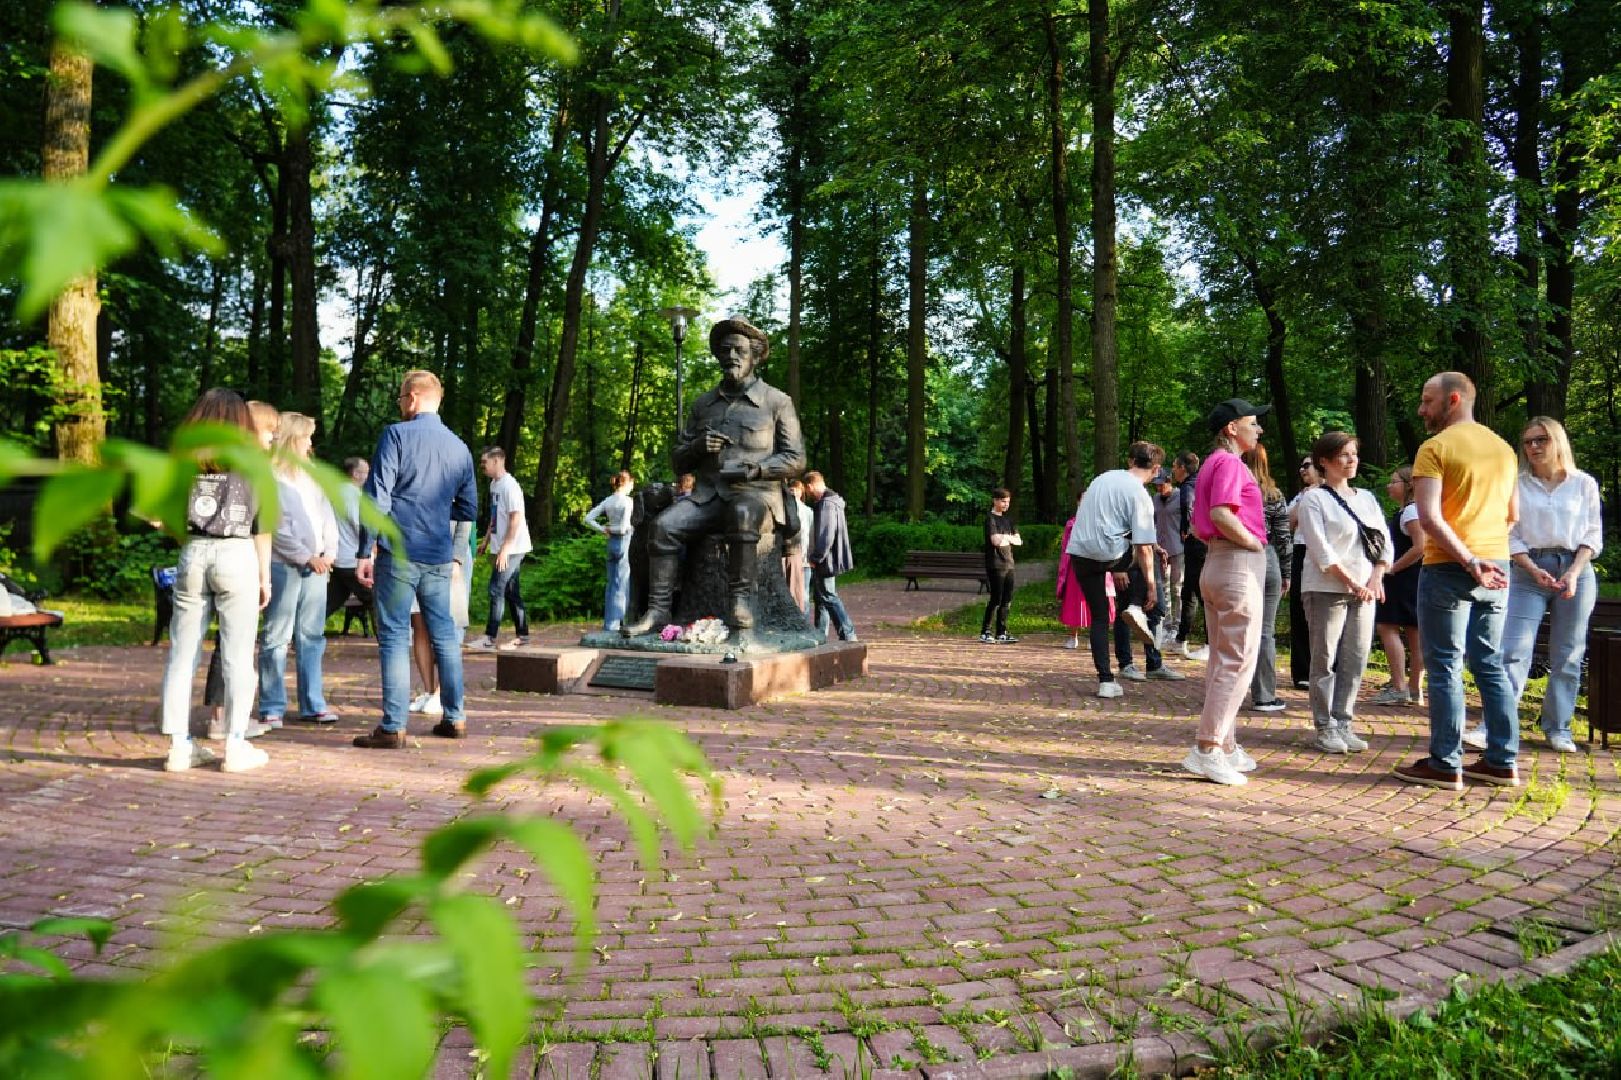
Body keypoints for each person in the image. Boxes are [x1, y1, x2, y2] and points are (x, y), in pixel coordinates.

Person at [622, 319, 805, 636]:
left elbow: (796, 458)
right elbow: (678, 462)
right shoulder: (703, 404)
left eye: (740, 350)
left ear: (755, 356)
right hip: (707, 497)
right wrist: (696, 447)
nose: (731, 355)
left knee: (742, 512)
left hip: (757, 496)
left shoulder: (777, 402)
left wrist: (757, 469)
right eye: (725, 350)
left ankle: (741, 601)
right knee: (664, 527)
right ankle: (659, 612)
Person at [1394, 372, 1521, 790]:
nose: (1420, 409)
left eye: (1426, 400)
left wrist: (1467, 559)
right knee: (1489, 662)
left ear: (1452, 400)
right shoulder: (1502, 448)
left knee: (1445, 664)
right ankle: (1502, 761)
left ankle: (1445, 764)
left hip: (1451, 565)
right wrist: (1485, 559)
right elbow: (1512, 515)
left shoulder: (1436, 447)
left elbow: (1430, 516)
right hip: (1497, 565)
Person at [354, 370, 478, 748]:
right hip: (439, 555)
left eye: (400, 399)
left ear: (412, 397)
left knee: (393, 636)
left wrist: (364, 549)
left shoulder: (396, 435)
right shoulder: (459, 447)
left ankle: (393, 727)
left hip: (399, 551)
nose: (400, 406)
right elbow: (470, 507)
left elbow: (377, 497)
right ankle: (454, 718)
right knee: (444, 636)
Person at [158, 389, 274, 773]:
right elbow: (263, 528)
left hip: (194, 552)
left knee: (182, 654)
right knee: (238, 656)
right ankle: (236, 745)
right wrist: (265, 576)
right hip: (237, 554)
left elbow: (158, 516)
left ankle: (179, 746)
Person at [1480, 417, 1602, 755]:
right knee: (1513, 650)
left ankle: (1558, 727)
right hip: (1526, 570)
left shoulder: (1583, 484)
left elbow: (1593, 534)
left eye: (1541, 440)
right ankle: (1494, 725)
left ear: (1558, 442)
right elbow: (1510, 534)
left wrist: (1575, 572)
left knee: (1568, 653)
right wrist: (1532, 569)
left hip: (1575, 568)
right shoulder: (1516, 484)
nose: (1533, 447)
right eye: (1529, 441)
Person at [1181, 399, 1270, 786]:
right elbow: (1220, 515)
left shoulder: (1208, 466)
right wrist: (1253, 543)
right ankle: (1207, 748)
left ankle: (1226, 746)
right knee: (1238, 661)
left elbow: (1200, 526)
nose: (1259, 429)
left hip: (1215, 564)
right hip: (1236, 564)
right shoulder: (1230, 463)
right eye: (1253, 423)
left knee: (1222, 660)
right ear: (1232, 428)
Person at [1295, 432, 1392, 753]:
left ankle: (1344, 721)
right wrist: (1352, 582)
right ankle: (1324, 727)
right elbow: (1321, 550)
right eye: (1344, 456)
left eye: (1354, 454)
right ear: (1325, 461)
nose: (1352, 461)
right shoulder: (1314, 498)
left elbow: (1383, 541)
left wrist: (1377, 576)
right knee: (1324, 658)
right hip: (1326, 588)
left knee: (1356, 657)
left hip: (1365, 589)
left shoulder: (1366, 498)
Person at [1066, 441, 1183, 698]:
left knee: (1099, 619)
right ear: (1156, 469)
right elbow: (1143, 549)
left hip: (1080, 553)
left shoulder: (1103, 478)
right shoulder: (1140, 495)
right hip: (1111, 554)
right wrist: (1150, 587)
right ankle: (1133, 605)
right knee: (1140, 549)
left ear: (1131, 461)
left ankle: (1106, 682)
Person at [258, 412, 341, 728]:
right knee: (276, 636)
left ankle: (313, 703)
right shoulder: (270, 476)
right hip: (284, 567)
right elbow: (274, 527)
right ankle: (272, 705)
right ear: (292, 439)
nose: (311, 442)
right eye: (306, 436)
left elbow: (327, 517)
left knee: (312, 636)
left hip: (318, 569)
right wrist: (307, 556)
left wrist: (329, 552)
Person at [1243, 445, 1291, 713]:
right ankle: (1264, 695)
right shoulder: (1274, 495)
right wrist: (1286, 572)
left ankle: (1232, 690)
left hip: (1239, 557)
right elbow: (1283, 536)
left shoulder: (1235, 490)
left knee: (1236, 627)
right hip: (1268, 556)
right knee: (1265, 631)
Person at [409, 520, 474, 717]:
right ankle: (430, 691)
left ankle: (442, 693)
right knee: (419, 623)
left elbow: (465, 517)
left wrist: (456, 558)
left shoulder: (455, 487)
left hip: (449, 554)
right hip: (416, 552)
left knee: (448, 627)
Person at [1372, 466, 1424, 706]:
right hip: (1414, 578)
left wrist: (1392, 568)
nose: (1389, 486)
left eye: (1394, 482)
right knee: (1414, 631)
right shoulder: (1411, 511)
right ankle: (1414, 689)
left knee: (1387, 626)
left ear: (1408, 485)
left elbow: (1420, 547)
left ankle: (1399, 685)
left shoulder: (1410, 512)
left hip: (1403, 579)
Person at [470, 446, 532, 649]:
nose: (482, 466)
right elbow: (496, 516)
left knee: (496, 588)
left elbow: (516, 517)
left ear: (497, 461)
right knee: (511, 592)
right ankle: (523, 636)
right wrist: (486, 541)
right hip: (503, 547)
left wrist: (505, 548)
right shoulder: (494, 485)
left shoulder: (510, 486)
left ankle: (489, 638)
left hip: (514, 548)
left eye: (484, 462)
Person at [805, 470, 857, 642]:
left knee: (828, 596)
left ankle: (848, 633)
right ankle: (821, 635)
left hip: (826, 560)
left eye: (808, 490)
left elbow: (826, 535)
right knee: (821, 597)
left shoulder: (826, 504)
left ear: (811, 485)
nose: (808, 494)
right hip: (831, 558)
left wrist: (815, 558)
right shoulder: (832, 501)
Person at [1056, 504, 1115, 649]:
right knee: (1074, 600)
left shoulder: (1103, 522)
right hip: (1077, 566)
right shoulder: (1072, 524)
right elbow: (1066, 547)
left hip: (1098, 566)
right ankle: (1072, 636)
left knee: (1096, 601)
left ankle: (1094, 637)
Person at [584, 470, 636, 632]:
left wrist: (603, 529)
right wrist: (618, 529)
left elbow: (588, 518)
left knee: (611, 583)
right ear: (627, 483)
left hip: (611, 543)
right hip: (623, 541)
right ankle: (617, 623)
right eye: (632, 484)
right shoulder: (627, 502)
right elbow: (623, 528)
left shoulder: (609, 500)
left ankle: (609, 623)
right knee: (621, 583)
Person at [325, 457, 374, 624]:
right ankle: (388, 644)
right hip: (354, 560)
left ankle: (299, 632)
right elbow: (359, 524)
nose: (369, 477)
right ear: (355, 474)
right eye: (366, 473)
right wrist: (372, 546)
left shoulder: (335, 491)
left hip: (338, 557)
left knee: (331, 602)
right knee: (376, 600)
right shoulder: (352, 494)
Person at [1287, 456, 1321, 690]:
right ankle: (1302, 670)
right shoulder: (1300, 496)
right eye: (1300, 466)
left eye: (1307, 465)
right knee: (1299, 610)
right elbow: (1289, 522)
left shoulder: (1332, 492)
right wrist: (1305, 498)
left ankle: (1327, 668)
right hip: (1300, 549)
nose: (1302, 470)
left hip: (1323, 551)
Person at [1171, 452, 1210, 661]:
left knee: (1200, 592)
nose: (1173, 470)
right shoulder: (1201, 483)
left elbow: (1189, 506)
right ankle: (1181, 639)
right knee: (1189, 591)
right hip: (1198, 544)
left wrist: (1186, 528)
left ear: (1183, 468)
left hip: (1196, 544)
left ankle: (1210, 643)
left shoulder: (1188, 486)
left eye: (1175, 466)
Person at [980, 488, 1023, 644]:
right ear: (995, 501)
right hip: (996, 564)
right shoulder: (990, 519)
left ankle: (1001, 632)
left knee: (1007, 599)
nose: (1006, 504)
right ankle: (985, 631)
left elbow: (1019, 541)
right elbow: (995, 541)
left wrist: (1005, 537)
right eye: (1003, 501)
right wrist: (1007, 537)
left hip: (1009, 564)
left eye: (1008, 502)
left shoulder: (1009, 520)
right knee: (996, 599)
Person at [1152, 468, 1183, 644]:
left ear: (1169, 481)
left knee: (1177, 587)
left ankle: (1176, 627)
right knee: (1162, 587)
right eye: (1156, 485)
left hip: (1178, 548)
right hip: (1160, 548)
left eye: (1162, 484)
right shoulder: (1155, 499)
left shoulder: (1180, 496)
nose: (1159, 488)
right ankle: (1165, 624)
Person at [782, 479, 813, 613]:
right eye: (791, 488)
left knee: (802, 594)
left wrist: (809, 557)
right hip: (789, 554)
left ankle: (803, 621)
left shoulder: (808, 511)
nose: (793, 491)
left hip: (802, 556)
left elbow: (810, 534)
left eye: (797, 488)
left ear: (802, 491)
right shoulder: (784, 508)